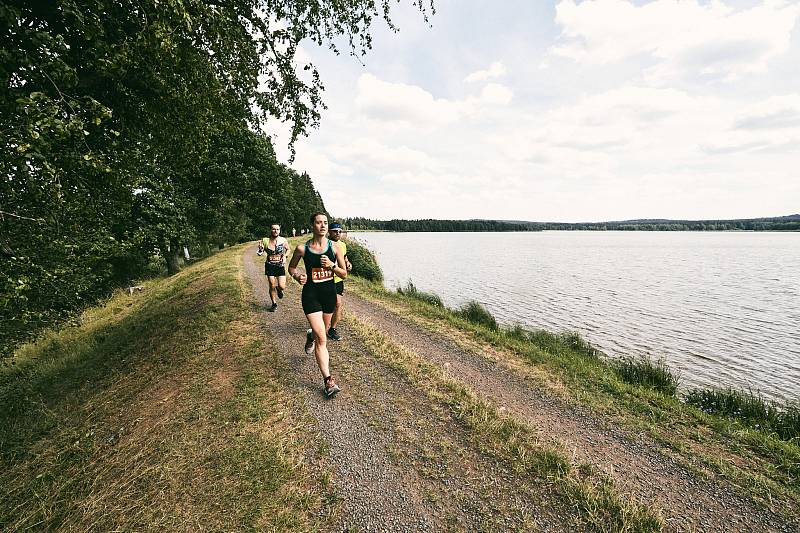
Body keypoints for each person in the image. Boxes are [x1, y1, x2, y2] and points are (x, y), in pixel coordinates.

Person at [288, 212, 348, 397]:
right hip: (311, 295)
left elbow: (344, 274)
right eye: (318, 222)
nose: (322, 226)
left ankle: (310, 335)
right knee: (323, 339)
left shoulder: (335, 248)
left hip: (329, 295)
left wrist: (331, 265)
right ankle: (328, 381)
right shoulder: (302, 249)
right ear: (312, 225)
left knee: (321, 332)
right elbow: (291, 268)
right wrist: (298, 276)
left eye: (325, 223)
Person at [327, 222, 352, 341]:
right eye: (335, 231)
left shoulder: (342, 245)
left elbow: (344, 257)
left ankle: (332, 329)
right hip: (324, 278)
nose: (338, 233)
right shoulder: (324, 244)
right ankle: (319, 327)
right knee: (325, 304)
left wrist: (348, 263)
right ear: (329, 232)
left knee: (337, 304)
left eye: (340, 231)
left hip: (337, 279)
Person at [262, 223, 289, 312]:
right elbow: (259, 252)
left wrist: (285, 256)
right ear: (270, 230)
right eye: (273, 229)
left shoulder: (283, 240)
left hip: (280, 265)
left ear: (279, 230)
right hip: (269, 265)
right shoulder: (265, 240)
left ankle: (279, 290)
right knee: (271, 284)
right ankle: (274, 304)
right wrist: (260, 249)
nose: (275, 231)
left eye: (277, 229)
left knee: (282, 286)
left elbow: (288, 250)